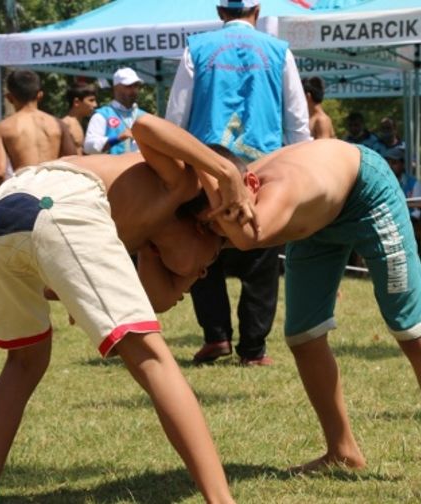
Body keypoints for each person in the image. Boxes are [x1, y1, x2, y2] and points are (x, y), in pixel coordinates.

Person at [0, 113, 252, 504]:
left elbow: (160, 298)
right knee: (154, 359)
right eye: (220, 238)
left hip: (0, 211)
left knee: (24, 362)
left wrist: (193, 264)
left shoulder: (149, 216)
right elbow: (145, 125)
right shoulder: (182, 177)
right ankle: (222, 501)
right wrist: (225, 172)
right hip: (62, 204)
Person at [187, 139, 421, 490]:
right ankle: (342, 451)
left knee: (410, 328)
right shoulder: (241, 193)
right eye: (213, 224)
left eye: (227, 214)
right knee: (303, 336)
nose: (221, 229)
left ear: (248, 186)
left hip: (367, 196)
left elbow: (248, 238)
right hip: (319, 219)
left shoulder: (278, 195)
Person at [166, 0, 310, 366]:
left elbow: (175, 118)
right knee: (261, 254)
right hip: (261, 168)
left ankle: (216, 337)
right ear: (257, 11)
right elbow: (297, 123)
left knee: (204, 250)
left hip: (208, 168)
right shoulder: (279, 51)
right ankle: (253, 349)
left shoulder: (196, 47)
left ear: (219, 12)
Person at [0, 69, 77, 191]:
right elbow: (73, 161)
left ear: (9, 98)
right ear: (40, 95)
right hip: (53, 191)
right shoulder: (58, 124)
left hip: (24, 191)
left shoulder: (3, 128)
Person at [83, 67, 146, 155]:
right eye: (128, 86)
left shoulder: (144, 116)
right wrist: (118, 138)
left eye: (136, 85)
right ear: (116, 88)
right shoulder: (102, 115)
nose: (133, 90)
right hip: (112, 167)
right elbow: (88, 147)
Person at [61, 82, 98, 155]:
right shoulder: (65, 125)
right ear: (76, 102)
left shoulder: (81, 124)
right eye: (91, 100)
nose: (95, 105)